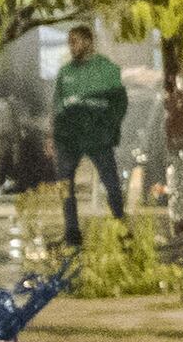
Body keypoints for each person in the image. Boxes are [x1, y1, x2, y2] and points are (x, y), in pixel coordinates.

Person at [52, 24, 130, 244]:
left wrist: (108, 129)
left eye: (75, 42)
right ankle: (71, 232)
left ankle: (121, 227)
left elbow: (120, 103)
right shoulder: (65, 72)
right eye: (69, 42)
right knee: (65, 184)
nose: (71, 47)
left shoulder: (106, 69)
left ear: (88, 42)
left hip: (96, 137)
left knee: (111, 182)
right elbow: (57, 106)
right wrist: (54, 135)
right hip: (69, 138)